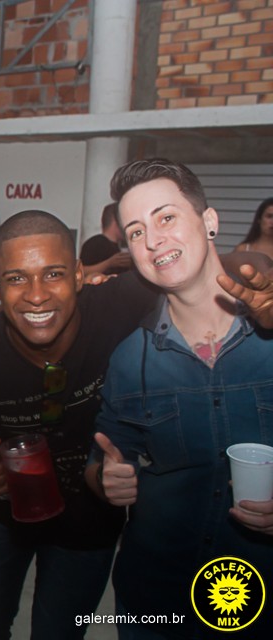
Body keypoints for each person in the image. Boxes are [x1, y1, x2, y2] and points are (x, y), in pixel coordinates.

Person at [0, 210, 158, 640]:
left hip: (91, 515)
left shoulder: (117, 307)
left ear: (79, 274)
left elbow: (206, 272)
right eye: (16, 278)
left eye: (53, 274)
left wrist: (256, 276)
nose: (36, 296)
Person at [86, 158, 273, 638]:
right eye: (136, 231)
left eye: (166, 217)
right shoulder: (130, 360)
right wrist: (106, 480)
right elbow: (103, 458)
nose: (153, 241)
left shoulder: (269, 335)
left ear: (209, 221)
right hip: (157, 601)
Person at [80, 202, 133, 276]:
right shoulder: (94, 243)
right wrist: (109, 263)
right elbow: (81, 271)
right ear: (116, 221)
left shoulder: (122, 246)